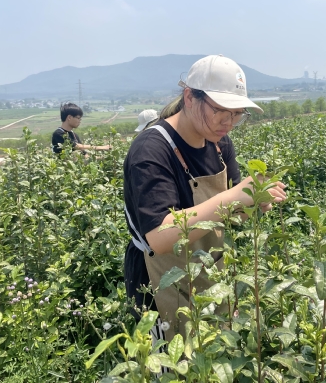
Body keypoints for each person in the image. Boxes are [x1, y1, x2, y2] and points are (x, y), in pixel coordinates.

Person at [123, 55, 287, 342]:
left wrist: (253, 203)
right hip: (159, 279)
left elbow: (230, 214)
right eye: (220, 110)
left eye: (237, 114)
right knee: (171, 358)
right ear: (189, 97)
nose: (229, 122)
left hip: (209, 267)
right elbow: (160, 237)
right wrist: (234, 196)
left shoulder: (219, 143)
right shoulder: (152, 149)